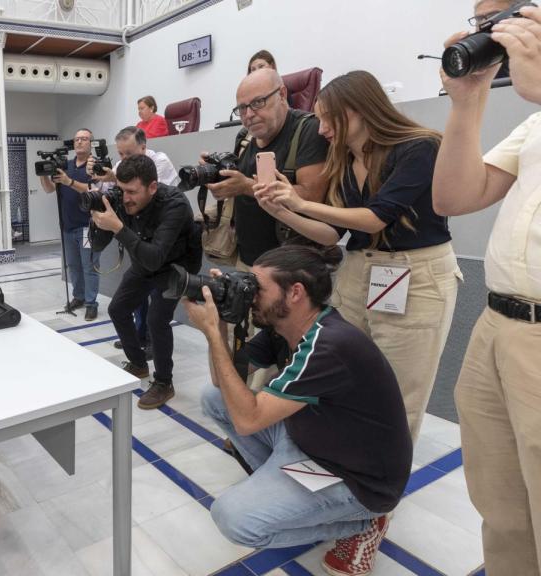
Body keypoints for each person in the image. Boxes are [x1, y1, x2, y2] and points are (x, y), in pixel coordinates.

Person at [253, 70, 458, 442]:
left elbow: (377, 216)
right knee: (342, 370)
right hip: (359, 271)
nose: (321, 130)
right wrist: (282, 210)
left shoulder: (419, 148)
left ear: (358, 110)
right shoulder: (345, 162)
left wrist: (301, 201)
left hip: (415, 275)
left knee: (400, 388)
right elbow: (334, 234)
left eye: (327, 118)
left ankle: (382, 486)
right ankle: (348, 459)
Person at [190, 245, 411, 576]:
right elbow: (223, 383)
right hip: (309, 441)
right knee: (214, 396)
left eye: (257, 288)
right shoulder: (284, 330)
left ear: (295, 293)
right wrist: (219, 326)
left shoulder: (330, 345)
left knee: (234, 519)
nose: (250, 296)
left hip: (357, 479)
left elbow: (248, 421)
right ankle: (288, 495)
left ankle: (360, 525)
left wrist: (210, 332)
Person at [432, 5, 541, 573]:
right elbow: (455, 197)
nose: (494, 33)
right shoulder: (533, 124)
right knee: (502, 514)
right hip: (497, 326)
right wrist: (466, 99)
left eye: (505, 15)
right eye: (483, 25)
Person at [90, 154, 202, 409]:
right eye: (121, 190)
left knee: (156, 319)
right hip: (145, 261)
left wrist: (118, 227)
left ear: (152, 187)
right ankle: (139, 364)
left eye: (132, 191)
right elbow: (98, 245)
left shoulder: (174, 203)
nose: (125, 198)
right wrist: (97, 219)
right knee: (117, 309)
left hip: (176, 266)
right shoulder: (121, 200)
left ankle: (164, 382)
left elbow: (155, 257)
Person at [206, 68, 329, 270]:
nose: (248, 115)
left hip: (290, 268)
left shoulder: (309, 130)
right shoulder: (245, 137)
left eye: (257, 103)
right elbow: (236, 184)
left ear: (282, 94)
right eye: (242, 108)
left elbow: (312, 197)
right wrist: (219, 176)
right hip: (246, 260)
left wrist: (246, 186)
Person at [96, 126, 179, 359]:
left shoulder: (159, 161)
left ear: (143, 147)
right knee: (133, 298)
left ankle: (154, 342)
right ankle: (138, 337)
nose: (123, 160)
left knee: (157, 303)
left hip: (161, 236)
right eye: (120, 154)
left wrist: (116, 179)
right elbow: (110, 194)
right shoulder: (122, 165)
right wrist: (104, 181)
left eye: (129, 154)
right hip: (137, 233)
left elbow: (151, 193)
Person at [40, 128, 101, 320]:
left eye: (84, 139)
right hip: (67, 227)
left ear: (91, 143)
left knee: (89, 265)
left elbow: (93, 189)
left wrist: (68, 181)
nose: (80, 142)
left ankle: (91, 303)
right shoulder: (64, 165)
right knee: (73, 266)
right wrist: (43, 174)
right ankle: (79, 297)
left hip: (87, 227)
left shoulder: (95, 165)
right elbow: (50, 189)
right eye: (77, 139)